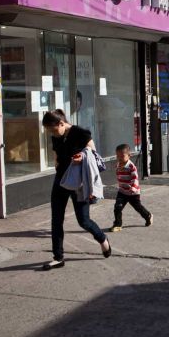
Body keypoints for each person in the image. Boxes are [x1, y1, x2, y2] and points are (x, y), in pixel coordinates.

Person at [41, 109, 111, 271]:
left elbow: (94, 154)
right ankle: (58, 257)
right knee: (56, 219)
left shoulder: (80, 133)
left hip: (78, 181)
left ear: (61, 123)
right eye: (48, 131)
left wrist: (82, 157)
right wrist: (57, 162)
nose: (52, 133)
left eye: (52, 129)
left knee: (83, 220)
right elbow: (57, 153)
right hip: (61, 179)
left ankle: (102, 239)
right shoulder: (56, 135)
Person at [109, 144, 152, 232]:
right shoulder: (118, 165)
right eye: (118, 156)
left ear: (129, 156)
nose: (119, 158)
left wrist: (133, 188)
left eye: (122, 156)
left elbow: (135, 179)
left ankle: (148, 216)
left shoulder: (132, 167)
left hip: (133, 192)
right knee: (117, 207)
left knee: (138, 207)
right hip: (122, 191)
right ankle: (118, 224)